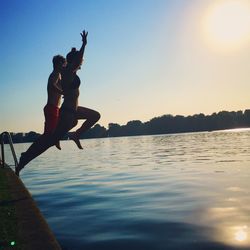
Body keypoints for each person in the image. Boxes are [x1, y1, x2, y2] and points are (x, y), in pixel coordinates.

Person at [15, 30, 100, 176]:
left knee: (95, 115)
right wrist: (84, 45)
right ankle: (25, 158)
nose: (82, 64)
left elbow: (76, 61)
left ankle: (76, 135)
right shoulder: (67, 72)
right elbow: (77, 60)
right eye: (80, 61)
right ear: (73, 62)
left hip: (74, 109)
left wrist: (75, 51)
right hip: (67, 112)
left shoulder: (68, 72)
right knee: (49, 140)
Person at [44, 55, 66, 150]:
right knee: (48, 135)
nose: (64, 66)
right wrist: (62, 92)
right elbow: (52, 85)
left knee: (55, 129)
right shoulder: (55, 74)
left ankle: (56, 140)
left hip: (54, 108)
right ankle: (29, 153)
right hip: (51, 108)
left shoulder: (59, 75)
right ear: (59, 64)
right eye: (63, 64)